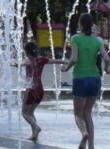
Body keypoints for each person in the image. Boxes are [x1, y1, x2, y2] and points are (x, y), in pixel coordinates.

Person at [62, 12, 109, 149]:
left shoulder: (75, 38)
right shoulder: (98, 41)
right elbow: (107, 58)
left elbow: (74, 59)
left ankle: (83, 133)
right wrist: (107, 69)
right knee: (88, 113)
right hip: (95, 79)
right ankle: (91, 146)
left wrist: (66, 68)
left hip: (80, 78)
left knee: (78, 114)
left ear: (80, 24)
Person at [21, 40, 68, 141]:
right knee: (31, 112)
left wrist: (12, 63)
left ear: (26, 51)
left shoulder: (28, 60)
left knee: (25, 113)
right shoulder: (42, 59)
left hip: (31, 89)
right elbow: (56, 61)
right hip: (40, 89)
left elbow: (21, 64)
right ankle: (34, 134)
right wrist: (67, 61)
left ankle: (36, 128)